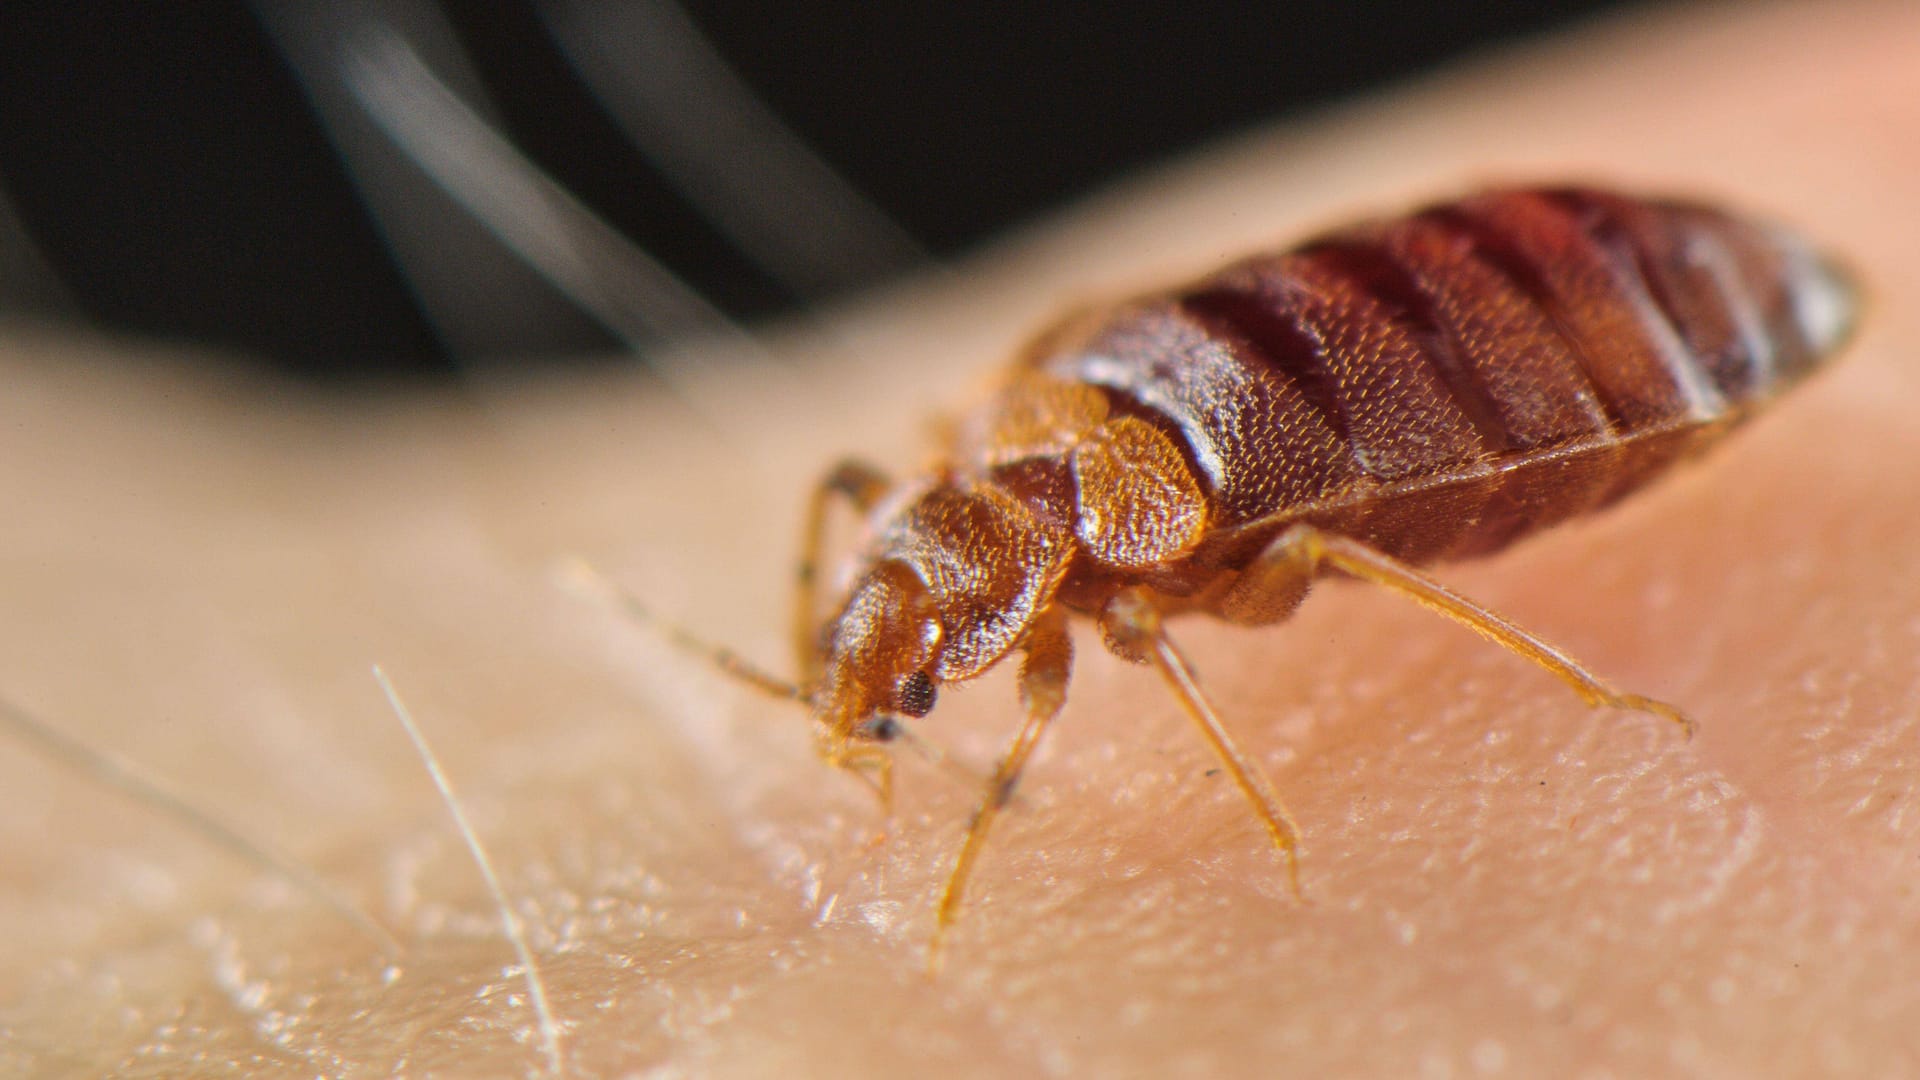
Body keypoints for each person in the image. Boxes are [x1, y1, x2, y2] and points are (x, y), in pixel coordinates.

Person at [3, 1, 1914, 1074]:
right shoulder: (1008, 453)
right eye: (902, 650)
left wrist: (1514, 712)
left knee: (1314, 551)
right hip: (1517, 291)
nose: (902, 666)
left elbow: (1132, 641)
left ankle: (1580, 672)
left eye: (902, 664)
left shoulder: (1123, 571)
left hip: (1621, 335)